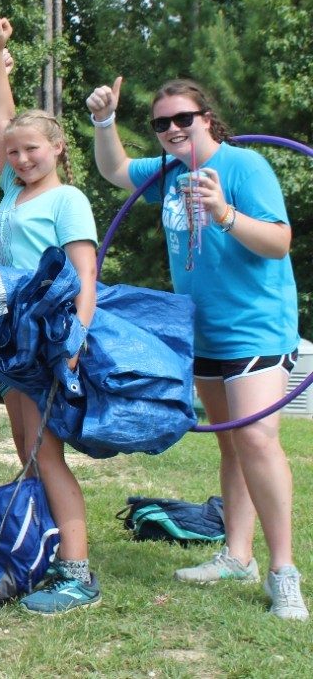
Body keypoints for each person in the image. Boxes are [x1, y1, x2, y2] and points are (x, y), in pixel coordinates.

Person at [89, 76, 308, 621]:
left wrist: (225, 214)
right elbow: (115, 171)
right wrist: (103, 121)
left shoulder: (243, 167)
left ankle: (284, 572)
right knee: (231, 445)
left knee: (257, 438)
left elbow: (280, 241)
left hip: (254, 327)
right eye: (160, 123)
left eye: (182, 119)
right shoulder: (166, 174)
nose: (170, 130)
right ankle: (237, 556)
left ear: (207, 118)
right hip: (200, 331)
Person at [0, 17, 100, 614]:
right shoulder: (13, 191)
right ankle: (43, 552)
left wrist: (73, 343)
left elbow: (85, 274)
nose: (22, 157)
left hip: (48, 337)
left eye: (34, 149)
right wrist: (0, 55)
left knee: (46, 453)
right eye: (15, 153)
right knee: (26, 446)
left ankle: (79, 574)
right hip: (9, 339)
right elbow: (3, 120)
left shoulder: (66, 198)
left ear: (57, 148)